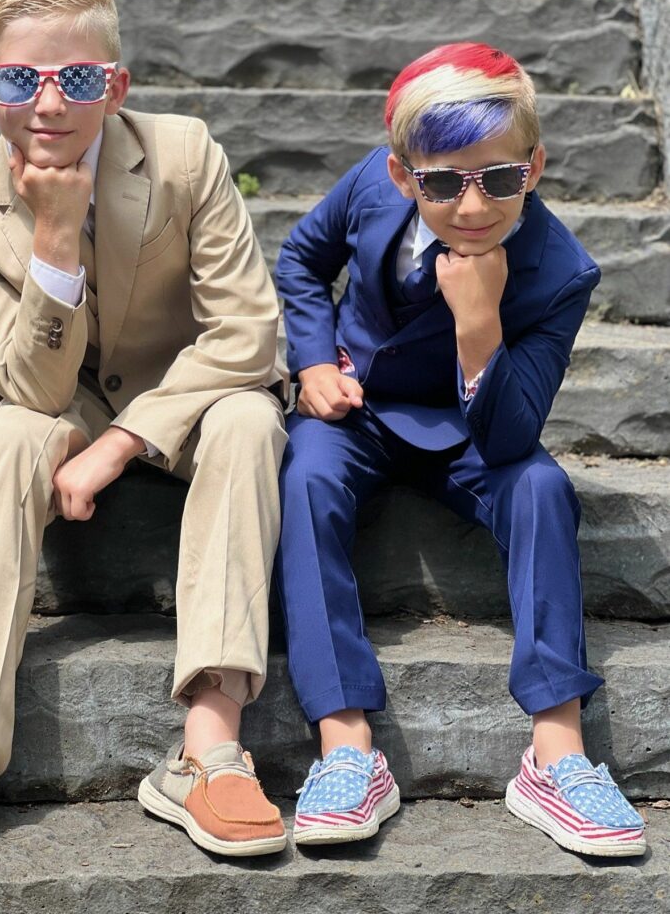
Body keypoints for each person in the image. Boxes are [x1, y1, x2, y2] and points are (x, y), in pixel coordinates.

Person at [0, 0, 289, 871]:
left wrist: (126, 442)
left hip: (191, 399)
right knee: (13, 431)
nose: (50, 104)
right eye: (22, 78)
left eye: (78, 78)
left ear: (117, 82)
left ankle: (209, 745)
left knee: (253, 419)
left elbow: (249, 335)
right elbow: (33, 388)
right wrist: (55, 236)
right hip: (60, 407)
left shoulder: (184, 154)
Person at [273, 42, 645, 857]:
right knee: (302, 479)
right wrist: (308, 359)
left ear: (535, 166)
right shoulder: (370, 186)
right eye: (443, 182)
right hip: (358, 408)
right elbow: (302, 258)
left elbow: (514, 436)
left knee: (542, 490)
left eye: (500, 178)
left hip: (475, 427)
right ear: (404, 175)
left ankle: (556, 751)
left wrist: (479, 330)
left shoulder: (557, 272)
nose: (472, 205)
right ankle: (344, 745)